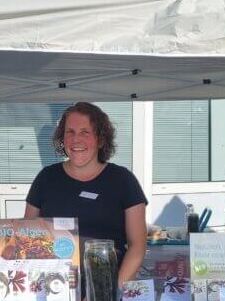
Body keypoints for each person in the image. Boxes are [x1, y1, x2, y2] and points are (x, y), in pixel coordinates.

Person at [24, 102, 147, 286]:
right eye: (70, 132)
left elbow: (137, 247)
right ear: (62, 138)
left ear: (101, 139)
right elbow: (26, 236)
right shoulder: (46, 178)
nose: (76, 140)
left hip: (106, 292)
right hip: (55, 289)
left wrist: (111, 293)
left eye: (85, 132)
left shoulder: (123, 181)